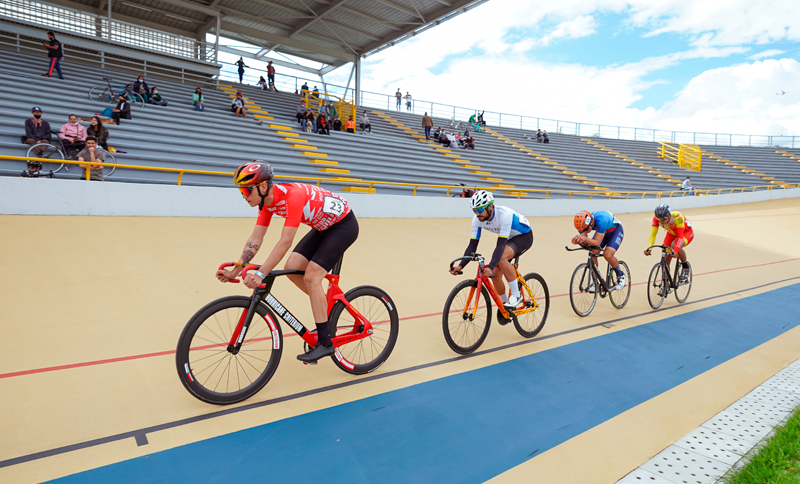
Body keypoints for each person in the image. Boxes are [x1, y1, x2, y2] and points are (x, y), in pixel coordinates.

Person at [218, 160, 359, 363]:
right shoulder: (265, 203)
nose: (243, 196)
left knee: (312, 277)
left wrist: (260, 274)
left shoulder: (293, 196)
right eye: (241, 191)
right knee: (292, 268)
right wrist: (237, 267)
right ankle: (324, 306)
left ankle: (325, 344)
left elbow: (285, 242)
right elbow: (255, 238)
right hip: (323, 228)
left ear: (263, 186)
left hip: (343, 226)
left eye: (247, 191)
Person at [450, 191, 534, 322]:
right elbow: (472, 245)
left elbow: (500, 246)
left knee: (501, 258)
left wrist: (490, 265)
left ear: (490, 206)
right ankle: (506, 307)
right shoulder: (477, 220)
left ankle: (517, 295)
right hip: (509, 239)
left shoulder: (503, 215)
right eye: (474, 210)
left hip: (524, 236)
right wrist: (460, 266)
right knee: (495, 274)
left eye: (479, 209)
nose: (477, 213)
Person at [571, 210, 626, 291]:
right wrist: (578, 241)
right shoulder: (581, 224)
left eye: (586, 229)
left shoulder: (601, 220)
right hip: (602, 233)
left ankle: (620, 275)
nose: (584, 231)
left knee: (607, 254)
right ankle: (595, 282)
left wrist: (585, 239)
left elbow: (597, 242)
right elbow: (586, 242)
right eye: (582, 230)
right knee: (593, 253)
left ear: (591, 222)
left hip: (615, 232)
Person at [645, 204, 693, 291]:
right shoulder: (656, 219)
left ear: (669, 216)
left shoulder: (677, 217)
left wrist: (676, 250)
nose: (661, 222)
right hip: (671, 234)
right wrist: (649, 248)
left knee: (674, 245)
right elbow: (652, 234)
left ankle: (685, 267)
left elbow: (680, 237)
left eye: (663, 219)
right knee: (665, 258)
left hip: (686, 233)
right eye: (659, 219)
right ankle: (666, 284)